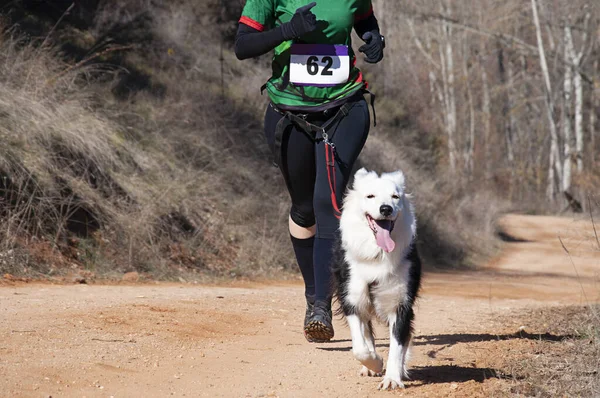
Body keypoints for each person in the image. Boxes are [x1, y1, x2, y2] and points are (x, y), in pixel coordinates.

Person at [235, 1, 385, 343]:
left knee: (326, 200)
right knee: (304, 211)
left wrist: (373, 38)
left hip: (344, 106)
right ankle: (313, 293)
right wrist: (288, 31)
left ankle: (322, 307)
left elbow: (364, 19)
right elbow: (243, 46)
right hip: (289, 113)